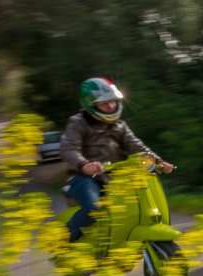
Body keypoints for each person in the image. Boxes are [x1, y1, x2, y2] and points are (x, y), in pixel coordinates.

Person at [60, 77, 174, 242]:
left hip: (115, 176)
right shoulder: (78, 123)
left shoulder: (120, 125)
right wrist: (84, 165)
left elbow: (136, 146)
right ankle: (63, 240)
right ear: (90, 104)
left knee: (137, 203)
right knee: (95, 208)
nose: (111, 106)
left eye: (113, 101)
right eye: (104, 103)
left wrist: (159, 162)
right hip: (84, 178)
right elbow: (68, 148)